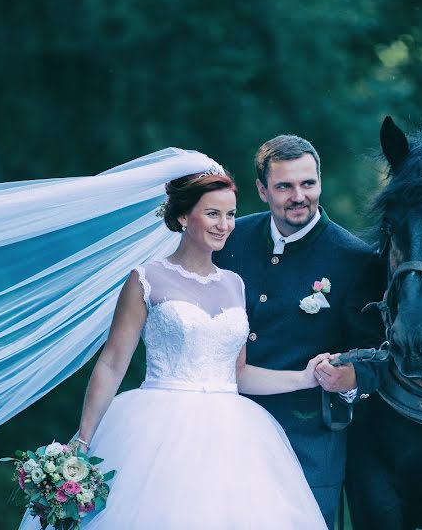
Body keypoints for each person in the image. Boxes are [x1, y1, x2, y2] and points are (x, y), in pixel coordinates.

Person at [18, 165, 329, 529]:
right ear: (183, 216)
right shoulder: (146, 279)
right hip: (155, 432)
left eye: (230, 215)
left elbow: (238, 374)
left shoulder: (234, 285)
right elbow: (113, 363)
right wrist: (84, 440)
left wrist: (305, 377)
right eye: (212, 213)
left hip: (234, 438)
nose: (224, 225)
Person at [214, 135, 386, 528]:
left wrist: (350, 378)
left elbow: (377, 352)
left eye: (307, 184)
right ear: (262, 190)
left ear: (319, 183)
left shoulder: (355, 259)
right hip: (224, 431)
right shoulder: (230, 239)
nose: (298, 196)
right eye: (284, 186)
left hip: (307, 442)